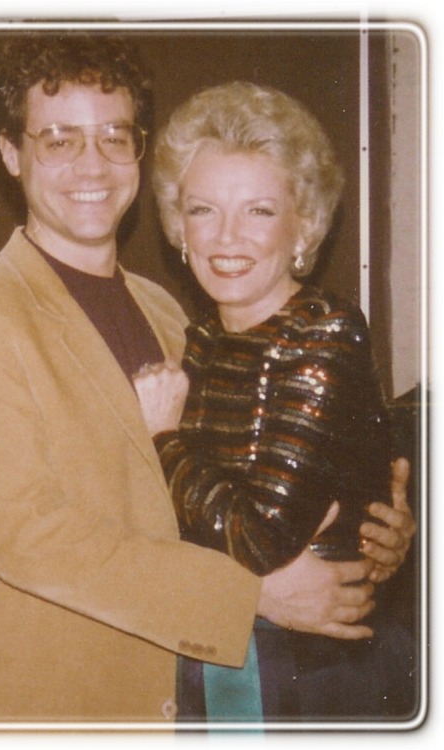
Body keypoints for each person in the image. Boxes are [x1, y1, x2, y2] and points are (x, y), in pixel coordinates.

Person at [0, 35, 414, 724]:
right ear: (10, 153)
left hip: (189, 706)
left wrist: (367, 532)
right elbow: (28, 534)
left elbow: (234, 488)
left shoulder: (177, 315)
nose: (92, 164)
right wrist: (255, 595)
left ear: (139, 153)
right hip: (51, 707)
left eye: (114, 137)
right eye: (59, 140)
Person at [132, 81, 417, 721]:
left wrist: (164, 437)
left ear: (304, 225)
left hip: (311, 676)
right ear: (179, 225)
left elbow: (256, 540)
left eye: (259, 211)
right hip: (226, 651)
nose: (226, 236)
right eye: (203, 210)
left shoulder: (322, 331)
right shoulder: (202, 338)